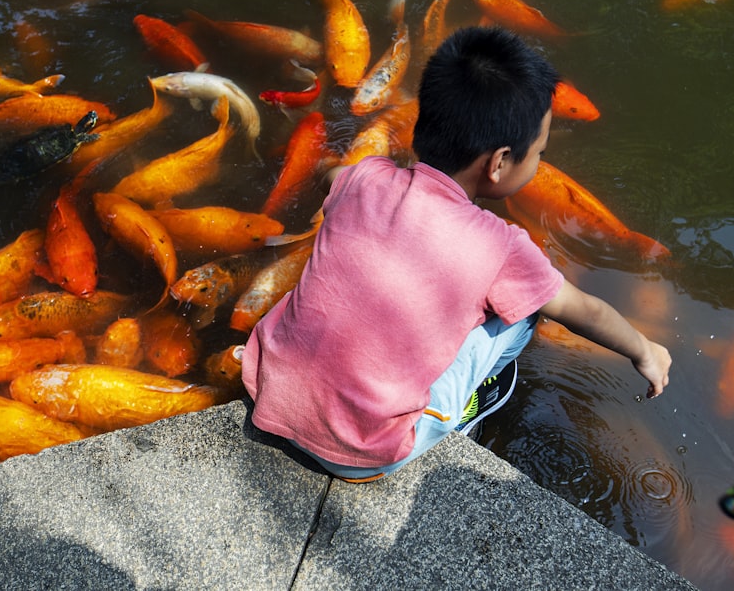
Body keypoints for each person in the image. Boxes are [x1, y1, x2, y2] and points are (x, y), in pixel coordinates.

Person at [240, 26, 672, 482]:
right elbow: (583, 310)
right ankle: (462, 408)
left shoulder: (364, 178)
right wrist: (644, 350)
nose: (540, 162)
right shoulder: (501, 245)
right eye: (539, 153)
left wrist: (327, 168)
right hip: (361, 452)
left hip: (266, 389)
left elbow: (331, 177)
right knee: (526, 312)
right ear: (500, 162)